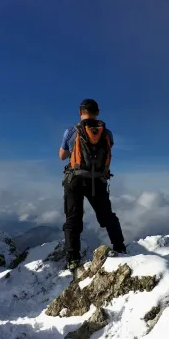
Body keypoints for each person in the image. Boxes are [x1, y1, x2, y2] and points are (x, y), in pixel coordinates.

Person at [59, 99, 126, 271]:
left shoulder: (72, 131)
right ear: (97, 112)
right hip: (98, 180)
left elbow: (62, 156)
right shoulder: (107, 133)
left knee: (73, 218)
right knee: (107, 216)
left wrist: (72, 151)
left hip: (75, 179)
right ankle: (120, 247)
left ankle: (73, 259)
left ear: (80, 112)